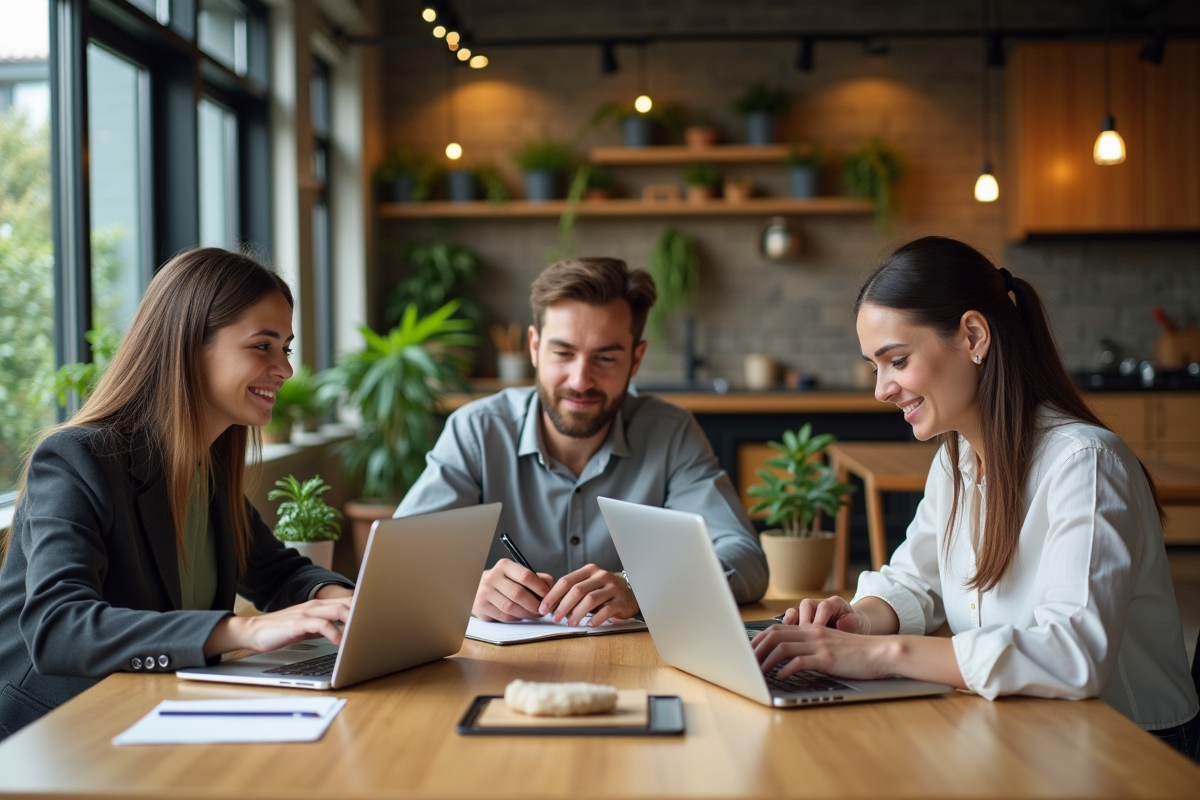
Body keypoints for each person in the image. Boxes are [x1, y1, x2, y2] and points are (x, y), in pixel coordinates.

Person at [752, 236, 1199, 760]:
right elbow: (914, 581)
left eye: (896, 360)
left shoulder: (1085, 462)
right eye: (876, 367)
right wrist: (858, 621)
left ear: (972, 335)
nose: (882, 389)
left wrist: (880, 655)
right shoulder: (956, 459)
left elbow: (1074, 656)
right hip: (1025, 728)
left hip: (1131, 747)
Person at [0, 248, 356, 742]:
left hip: (152, 715)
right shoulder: (77, 459)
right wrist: (245, 631)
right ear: (189, 346)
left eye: (286, 349)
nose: (285, 370)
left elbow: (277, 571)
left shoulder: (204, 466)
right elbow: (59, 629)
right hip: (56, 735)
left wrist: (344, 605)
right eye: (262, 346)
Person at [395, 257, 768, 626]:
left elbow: (745, 558)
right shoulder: (476, 431)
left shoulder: (671, 433)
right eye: (563, 353)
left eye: (605, 357)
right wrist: (466, 588)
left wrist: (639, 586)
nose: (580, 380)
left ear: (636, 360)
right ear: (533, 347)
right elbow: (400, 560)